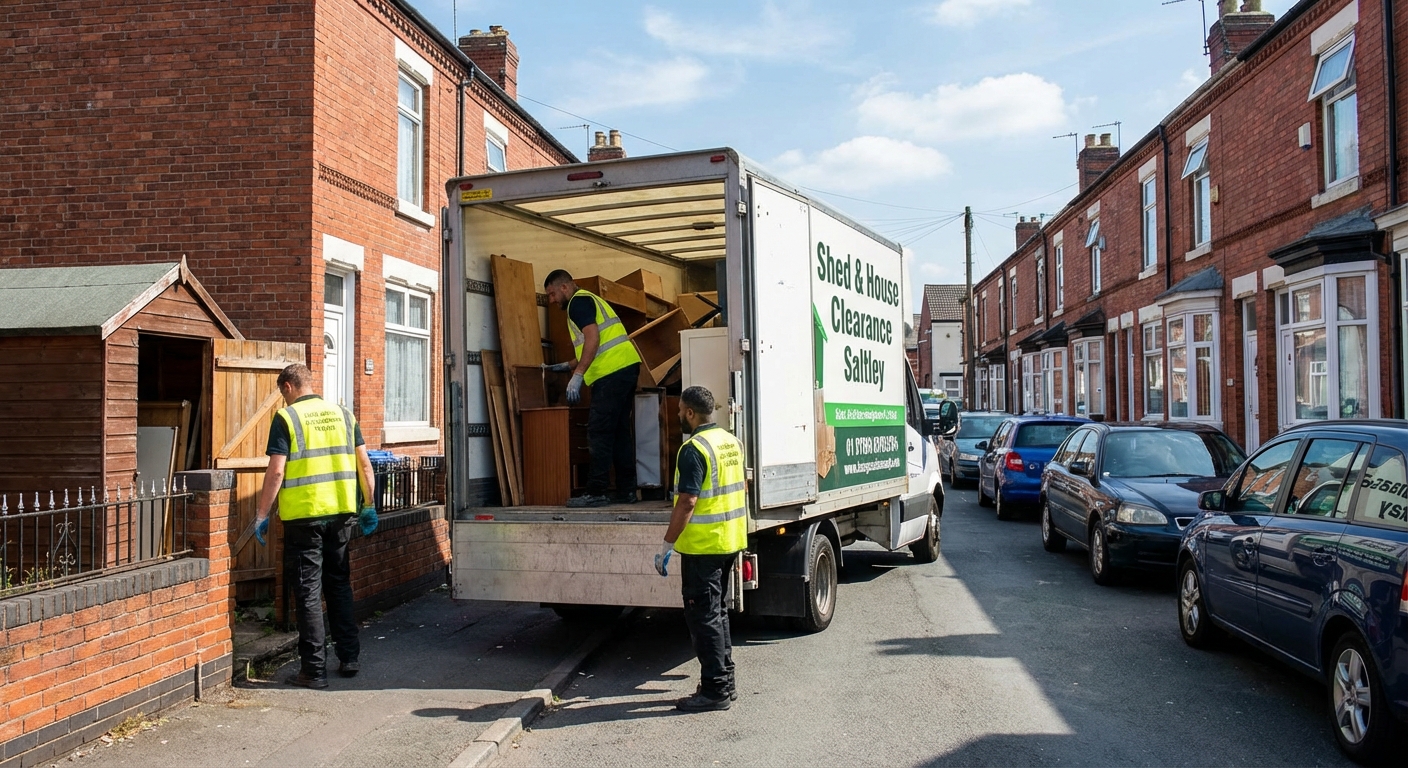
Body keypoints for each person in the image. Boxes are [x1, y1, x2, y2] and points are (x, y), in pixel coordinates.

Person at [253, 363, 378, 689]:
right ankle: (349, 657)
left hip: (304, 518)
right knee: (339, 585)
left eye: (283, 394)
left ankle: (314, 670)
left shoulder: (287, 418)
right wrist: (370, 505)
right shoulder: (344, 415)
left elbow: (277, 471)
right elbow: (364, 464)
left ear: (288, 387)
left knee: (308, 593)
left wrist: (262, 513)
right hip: (340, 515)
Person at [654, 386, 748, 712]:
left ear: (691, 413)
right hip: (730, 541)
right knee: (718, 614)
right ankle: (726, 682)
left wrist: (667, 543)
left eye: (681, 410)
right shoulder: (731, 442)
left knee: (704, 618)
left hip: (703, 547)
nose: (679, 414)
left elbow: (688, 501)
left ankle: (714, 691)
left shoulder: (693, 449)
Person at [542, 269, 643, 507]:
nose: (552, 300)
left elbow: (593, 339)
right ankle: (627, 490)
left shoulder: (578, 304)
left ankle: (596, 491)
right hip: (625, 368)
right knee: (619, 433)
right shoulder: (591, 300)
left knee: (598, 433)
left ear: (565, 287)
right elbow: (594, 345)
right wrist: (566, 366)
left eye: (553, 293)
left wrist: (577, 375)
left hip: (611, 374)